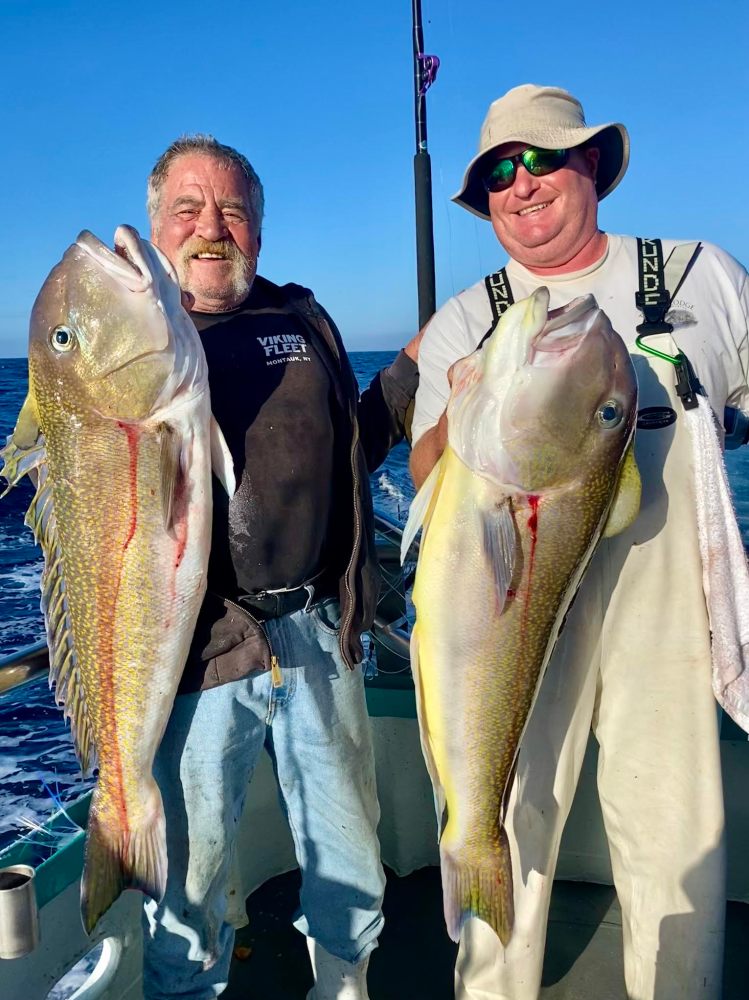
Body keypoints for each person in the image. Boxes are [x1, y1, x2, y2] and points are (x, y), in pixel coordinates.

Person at [411, 84, 749, 999]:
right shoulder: (461, 318)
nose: (519, 185)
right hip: (513, 598)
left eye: (541, 159)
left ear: (591, 163)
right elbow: (422, 475)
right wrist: (463, 404)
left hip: (664, 605)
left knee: (673, 822)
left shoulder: (698, 275)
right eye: (495, 175)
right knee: (504, 808)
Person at [141, 134, 420, 1000]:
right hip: (198, 657)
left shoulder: (303, 318)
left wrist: (414, 372)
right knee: (185, 883)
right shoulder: (142, 345)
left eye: (231, 209)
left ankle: (346, 985)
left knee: (348, 856)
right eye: (188, 209)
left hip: (317, 635)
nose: (210, 227)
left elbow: (352, 447)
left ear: (258, 227)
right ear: (158, 226)